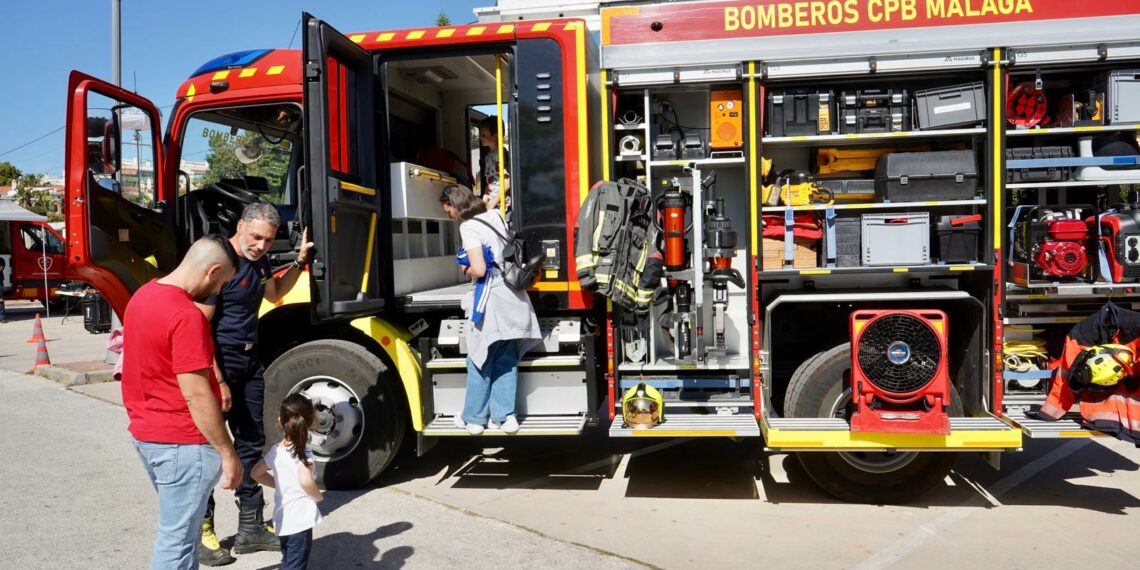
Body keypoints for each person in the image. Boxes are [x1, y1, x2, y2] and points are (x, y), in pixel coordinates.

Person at [197, 202, 314, 566]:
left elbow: (275, 292)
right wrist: (216, 377)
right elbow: (199, 327)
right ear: (239, 226)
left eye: (267, 239)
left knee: (250, 444)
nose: (261, 245)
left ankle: (250, 527)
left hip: (249, 359)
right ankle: (202, 531)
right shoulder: (219, 261)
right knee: (210, 448)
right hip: (220, 360)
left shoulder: (259, 260)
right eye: (256, 237)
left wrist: (299, 261)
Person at [122, 234, 242, 570]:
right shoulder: (186, 315)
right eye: (221, 283)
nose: (218, 291)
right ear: (212, 270)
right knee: (176, 543)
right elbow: (196, 392)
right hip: (182, 443)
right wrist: (227, 452)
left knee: (182, 538)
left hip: (148, 434)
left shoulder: (143, 296)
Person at [439, 185, 541, 435]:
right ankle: (505, 417)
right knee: (506, 358)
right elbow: (490, 207)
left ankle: (474, 419)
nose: (448, 214)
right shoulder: (493, 216)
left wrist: (465, 269)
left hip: (490, 300)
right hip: (513, 298)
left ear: (456, 205)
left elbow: (480, 269)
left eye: (448, 209)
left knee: (479, 356)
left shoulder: (468, 227)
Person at [251, 394, 323, 570]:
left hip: (282, 519)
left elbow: (256, 473)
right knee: (295, 565)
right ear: (310, 421)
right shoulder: (303, 452)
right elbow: (305, 480)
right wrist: (317, 496)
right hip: (300, 520)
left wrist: (279, 484)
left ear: (279, 420)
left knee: (289, 560)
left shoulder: (275, 451)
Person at [477, 115, 511, 213]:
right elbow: (490, 183)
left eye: (484, 135)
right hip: (493, 203)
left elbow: (507, 183)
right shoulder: (488, 156)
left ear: (495, 136)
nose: (480, 137)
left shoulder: (502, 155)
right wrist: (483, 202)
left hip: (502, 205)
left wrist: (492, 204)